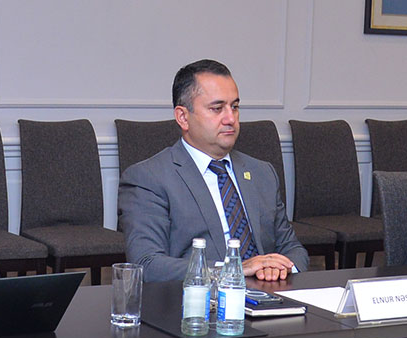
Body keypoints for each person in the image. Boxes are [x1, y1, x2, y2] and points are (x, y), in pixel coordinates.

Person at [119, 60, 309, 283]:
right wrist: (232, 270)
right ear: (183, 117)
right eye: (217, 109)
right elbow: (147, 264)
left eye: (234, 107)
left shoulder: (262, 173)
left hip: (269, 293)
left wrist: (280, 268)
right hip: (200, 299)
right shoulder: (149, 178)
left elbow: (293, 249)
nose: (231, 119)